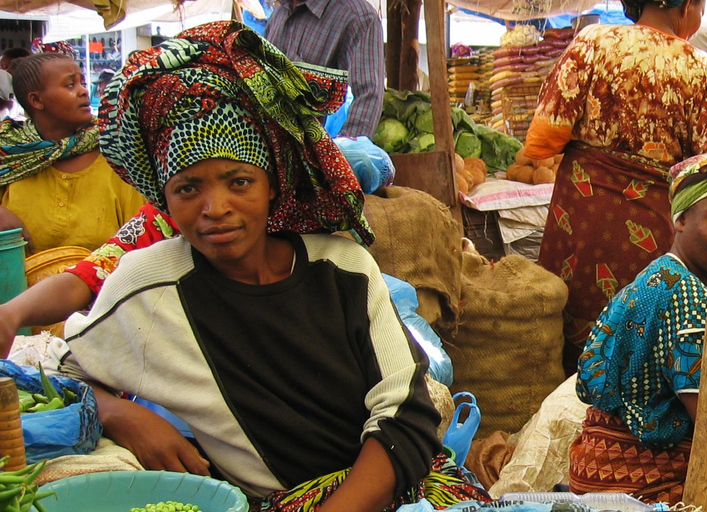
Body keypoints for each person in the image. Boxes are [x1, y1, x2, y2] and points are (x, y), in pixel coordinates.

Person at [51, 21, 488, 511]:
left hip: (398, 485)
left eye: (238, 181)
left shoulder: (343, 268)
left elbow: (406, 415)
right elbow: (67, 373)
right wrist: (121, 415)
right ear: (163, 199)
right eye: (188, 189)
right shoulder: (146, 285)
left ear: (273, 184)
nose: (215, 207)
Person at [523, 0, 707, 373]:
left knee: (569, 326)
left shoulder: (590, 43)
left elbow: (541, 142)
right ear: (684, 5)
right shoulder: (700, 70)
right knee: (642, 335)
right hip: (650, 232)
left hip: (578, 223)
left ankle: (567, 411)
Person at [569, 147, 707, 511]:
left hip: (595, 464)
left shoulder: (661, 273)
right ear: (679, 219)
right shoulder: (687, 294)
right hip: (639, 478)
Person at [0, 53, 145, 253]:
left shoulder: (115, 153)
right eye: (70, 85)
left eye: (82, 83)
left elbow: (143, 240)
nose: (84, 91)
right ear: (36, 100)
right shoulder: (8, 155)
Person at [265, 0, 384, 138]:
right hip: (259, 146)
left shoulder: (358, 17)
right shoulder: (281, 10)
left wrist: (340, 154)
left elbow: (368, 95)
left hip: (305, 151)